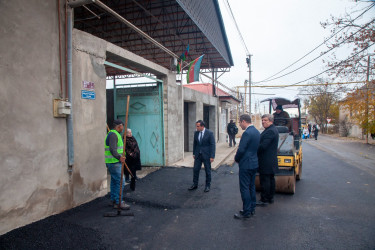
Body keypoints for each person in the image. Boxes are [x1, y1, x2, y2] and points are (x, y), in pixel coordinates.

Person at [233, 114, 260, 220]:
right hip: (254, 163)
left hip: (246, 164)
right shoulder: (257, 132)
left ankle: (246, 211)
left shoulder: (247, 133)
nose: (239, 125)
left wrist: (236, 158)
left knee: (244, 188)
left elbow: (241, 149)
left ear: (244, 121)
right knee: (251, 187)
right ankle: (252, 208)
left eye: (240, 122)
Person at [104, 119, 130, 210]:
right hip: (114, 162)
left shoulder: (113, 134)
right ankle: (119, 202)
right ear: (119, 126)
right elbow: (113, 149)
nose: (123, 128)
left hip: (113, 162)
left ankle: (113, 200)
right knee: (120, 182)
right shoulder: (114, 135)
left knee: (115, 181)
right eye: (122, 126)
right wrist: (120, 157)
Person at [257, 114, 279, 207]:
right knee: (270, 180)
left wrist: (254, 148)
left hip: (266, 161)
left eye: (265, 120)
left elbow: (263, 146)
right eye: (262, 120)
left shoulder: (270, 131)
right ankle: (270, 198)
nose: (263, 122)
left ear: (271, 121)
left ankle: (264, 199)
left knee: (265, 181)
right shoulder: (271, 130)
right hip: (270, 160)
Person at [188, 120, 216, 193]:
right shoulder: (196, 133)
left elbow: (212, 145)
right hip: (198, 155)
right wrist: (194, 153)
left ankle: (207, 185)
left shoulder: (209, 133)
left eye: (198, 126)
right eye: (196, 126)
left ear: (202, 126)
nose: (196, 127)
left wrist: (212, 156)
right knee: (196, 170)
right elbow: (195, 144)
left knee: (207, 171)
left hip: (206, 155)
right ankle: (195, 184)